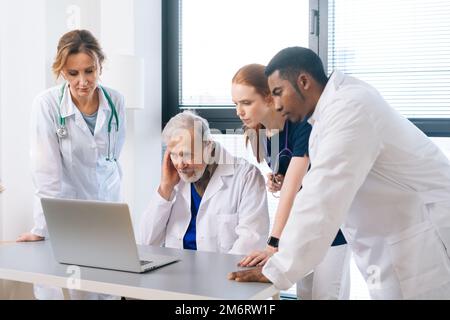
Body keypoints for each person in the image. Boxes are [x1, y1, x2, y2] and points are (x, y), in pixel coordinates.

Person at [228, 47, 450, 300]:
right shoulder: (326, 117)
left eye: (278, 92)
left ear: (304, 82)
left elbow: (322, 197)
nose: (277, 104)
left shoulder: (350, 107)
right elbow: (314, 190)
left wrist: (277, 268)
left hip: (423, 237)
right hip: (392, 239)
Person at [17, 30, 126, 299]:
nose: (83, 81)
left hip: (107, 208)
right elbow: (46, 174)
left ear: (101, 64)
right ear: (62, 72)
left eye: (90, 71)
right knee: (57, 282)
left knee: (107, 286)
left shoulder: (116, 101)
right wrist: (42, 230)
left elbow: (112, 158)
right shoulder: (47, 105)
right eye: (73, 73)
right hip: (64, 208)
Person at [231, 64, 350, 300]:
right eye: (235, 104)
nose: (239, 111)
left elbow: (295, 185)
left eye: (246, 103)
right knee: (305, 295)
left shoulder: (302, 125)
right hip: (301, 223)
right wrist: (278, 180)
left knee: (326, 295)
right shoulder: (260, 132)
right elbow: (290, 178)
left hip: (330, 224)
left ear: (268, 98)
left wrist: (273, 243)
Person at [139, 111, 269, 255]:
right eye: (174, 155)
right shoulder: (173, 180)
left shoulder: (246, 176)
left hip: (222, 273)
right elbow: (147, 241)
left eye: (187, 154)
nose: (180, 165)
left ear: (208, 146)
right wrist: (165, 188)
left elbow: (252, 241)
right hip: (174, 272)